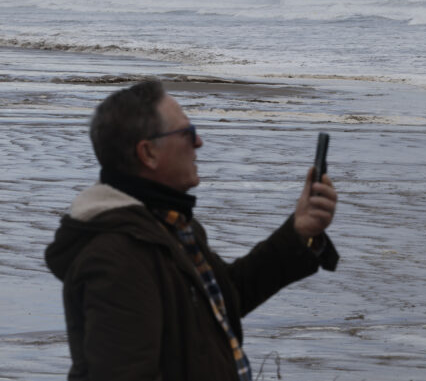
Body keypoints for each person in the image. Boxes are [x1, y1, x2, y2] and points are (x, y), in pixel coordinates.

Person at [45, 80, 339, 381]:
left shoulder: (168, 225)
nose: (199, 142)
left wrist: (300, 231)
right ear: (148, 153)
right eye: (188, 133)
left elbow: (226, 297)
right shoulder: (117, 257)